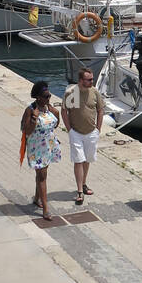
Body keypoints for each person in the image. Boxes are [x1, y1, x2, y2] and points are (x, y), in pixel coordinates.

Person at [61, 67, 106, 205]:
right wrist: (69, 130)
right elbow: (64, 111)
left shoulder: (95, 92)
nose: (92, 81)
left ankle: (84, 183)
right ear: (81, 81)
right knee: (78, 160)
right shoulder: (71, 93)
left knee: (87, 160)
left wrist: (98, 129)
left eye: (92, 79)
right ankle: (80, 191)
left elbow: (100, 110)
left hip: (91, 132)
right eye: (89, 79)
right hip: (76, 133)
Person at [21, 80, 62, 221]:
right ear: (38, 97)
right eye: (46, 96)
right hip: (37, 149)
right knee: (42, 176)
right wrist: (34, 118)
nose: (48, 98)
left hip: (49, 146)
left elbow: (55, 125)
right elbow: (26, 131)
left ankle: (37, 198)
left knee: (41, 175)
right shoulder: (30, 110)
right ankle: (45, 209)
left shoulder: (49, 108)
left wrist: (56, 112)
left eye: (49, 96)